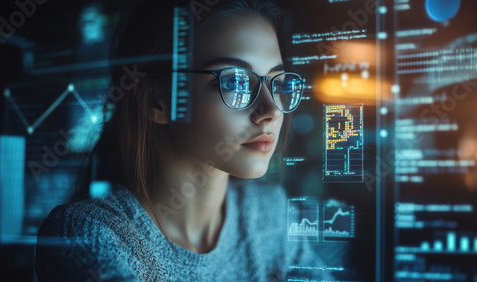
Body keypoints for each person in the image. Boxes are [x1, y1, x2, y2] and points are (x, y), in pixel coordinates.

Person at [35, 0, 331, 280]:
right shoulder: (88, 233)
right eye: (234, 82)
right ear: (157, 101)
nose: (271, 111)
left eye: (278, 83)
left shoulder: (268, 213)